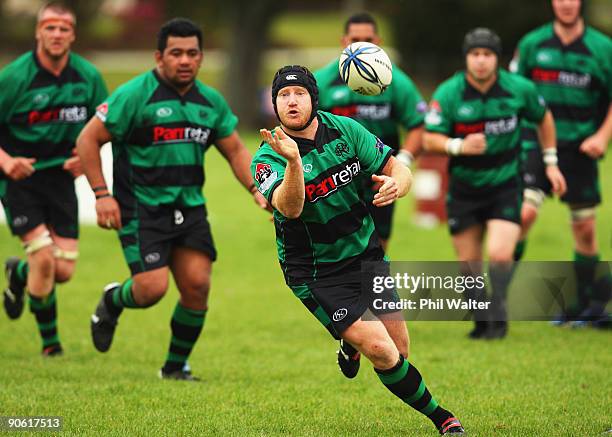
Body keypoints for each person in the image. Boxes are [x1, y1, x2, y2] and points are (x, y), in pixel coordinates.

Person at [251, 65, 464, 435]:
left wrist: (399, 185)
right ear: (274, 105)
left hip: (366, 254)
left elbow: (397, 167)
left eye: (299, 93)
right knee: (382, 351)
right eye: (283, 96)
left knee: (400, 351)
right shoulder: (267, 158)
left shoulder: (345, 130)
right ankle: (442, 418)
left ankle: (350, 347)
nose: (291, 101)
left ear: (313, 99)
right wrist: (294, 163)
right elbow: (290, 208)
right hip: (316, 273)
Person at [76, 18, 267, 380]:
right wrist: (101, 195)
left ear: (201, 57)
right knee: (151, 289)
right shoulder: (133, 96)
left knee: (197, 286)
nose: (184, 60)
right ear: (159, 57)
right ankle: (112, 301)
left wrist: (258, 189)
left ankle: (175, 367)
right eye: (176, 53)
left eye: (192, 53)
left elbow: (236, 150)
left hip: (189, 207)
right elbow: (87, 140)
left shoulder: (210, 102)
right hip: (141, 208)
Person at [423, 28, 566, 339]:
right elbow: (429, 138)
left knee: (501, 254)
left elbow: (544, 118)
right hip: (464, 188)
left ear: (497, 59)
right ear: (466, 59)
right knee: (468, 265)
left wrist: (551, 162)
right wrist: (459, 146)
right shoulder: (449, 93)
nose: (481, 62)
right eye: (475, 55)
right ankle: (482, 318)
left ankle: (498, 309)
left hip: (505, 183)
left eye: (487, 55)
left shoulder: (519, 88)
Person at [0, 2, 108, 356]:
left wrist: (84, 155)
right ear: (38, 32)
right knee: (43, 258)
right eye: (50, 27)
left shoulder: (88, 77)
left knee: (61, 271)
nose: (57, 34)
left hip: (62, 182)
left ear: (73, 34)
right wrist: (7, 162)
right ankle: (51, 346)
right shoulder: (14, 77)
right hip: (21, 181)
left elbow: (106, 127)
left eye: (64, 28)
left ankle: (17, 275)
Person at [510, 0, 612, 325]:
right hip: (535, 144)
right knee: (524, 214)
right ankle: (496, 299)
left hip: (581, 149)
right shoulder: (531, 44)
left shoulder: (602, 47)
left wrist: (602, 137)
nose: (566, 4)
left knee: (584, 228)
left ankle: (586, 306)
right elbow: (512, 92)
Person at [314, 12, 427, 251]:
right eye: (355, 39)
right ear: (344, 41)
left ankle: (371, 288)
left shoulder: (395, 81)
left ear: (378, 41)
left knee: (378, 248)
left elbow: (418, 125)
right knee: (336, 249)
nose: (361, 45)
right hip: (336, 177)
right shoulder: (322, 82)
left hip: (379, 177)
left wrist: (400, 165)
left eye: (367, 39)